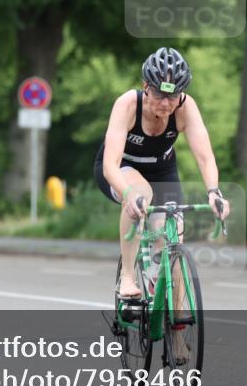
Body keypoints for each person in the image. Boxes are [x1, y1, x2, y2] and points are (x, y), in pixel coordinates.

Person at [94, 47, 231, 301]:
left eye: (173, 96)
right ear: (146, 86)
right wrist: (127, 193)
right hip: (121, 166)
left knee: (172, 241)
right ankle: (127, 276)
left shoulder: (185, 107)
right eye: (159, 94)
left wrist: (214, 192)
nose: (166, 103)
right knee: (139, 194)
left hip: (162, 168)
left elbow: (205, 156)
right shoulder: (127, 104)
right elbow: (110, 165)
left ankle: (176, 333)